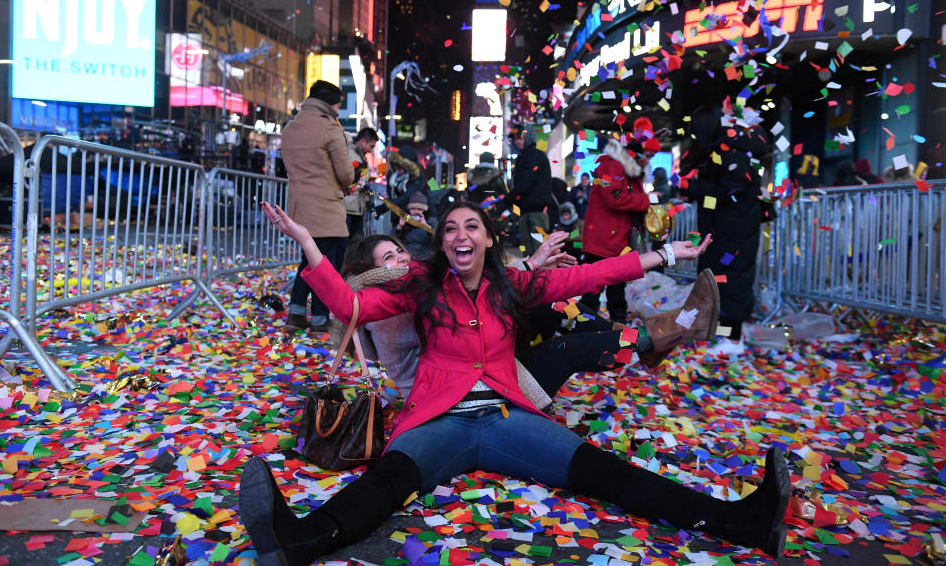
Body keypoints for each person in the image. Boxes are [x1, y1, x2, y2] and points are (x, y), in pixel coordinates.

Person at [246, 200, 792, 565]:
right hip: (440, 419)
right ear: (441, 245)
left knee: (603, 471)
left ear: (487, 240)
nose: (460, 235)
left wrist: (666, 255)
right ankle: (299, 538)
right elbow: (348, 303)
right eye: (450, 229)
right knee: (388, 482)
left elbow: (587, 275)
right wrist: (309, 247)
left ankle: (743, 521)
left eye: (471, 227)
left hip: (509, 417)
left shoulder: (515, 286)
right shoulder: (421, 287)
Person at [340, 231, 718, 402]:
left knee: (553, 307)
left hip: (476, 365)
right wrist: (531, 266)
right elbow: (467, 290)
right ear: (369, 273)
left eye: (400, 251)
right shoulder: (387, 304)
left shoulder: (414, 283)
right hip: (452, 398)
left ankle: (648, 341)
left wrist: (666, 253)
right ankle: (663, 335)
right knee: (561, 350)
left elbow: (479, 285)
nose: (402, 260)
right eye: (389, 258)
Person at [679, 99, 773, 355]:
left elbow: (730, 189)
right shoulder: (727, 146)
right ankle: (724, 336)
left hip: (735, 230)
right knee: (720, 280)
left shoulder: (733, 148)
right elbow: (720, 193)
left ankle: (732, 341)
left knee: (732, 283)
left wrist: (695, 189)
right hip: (726, 227)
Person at [281, 79, 354, 332]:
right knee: (325, 264)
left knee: (309, 260)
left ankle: (296, 312)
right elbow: (345, 174)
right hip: (325, 207)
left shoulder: (291, 127)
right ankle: (320, 318)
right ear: (331, 103)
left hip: (299, 208)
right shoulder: (329, 127)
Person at [580, 131, 651, 324]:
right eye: (647, 156)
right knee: (593, 287)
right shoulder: (612, 166)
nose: (648, 160)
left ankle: (618, 329)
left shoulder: (631, 171)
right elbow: (615, 198)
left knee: (617, 288)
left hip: (618, 239)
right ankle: (582, 328)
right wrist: (647, 200)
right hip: (603, 239)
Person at [504, 124, 552, 256]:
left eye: (521, 138)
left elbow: (525, 183)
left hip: (534, 213)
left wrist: (507, 200)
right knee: (531, 254)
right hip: (528, 212)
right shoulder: (527, 157)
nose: (518, 141)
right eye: (515, 139)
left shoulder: (534, 156)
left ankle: (542, 277)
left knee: (537, 254)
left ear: (529, 137)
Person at [343, 127, 377, 241]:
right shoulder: (348, 153)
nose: (371, 150)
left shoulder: (363, 158)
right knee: (346, 242)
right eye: (371, 146)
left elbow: (363, 182)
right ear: (362, 141)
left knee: (355, 241)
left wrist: (367, 200)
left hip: (357, 206)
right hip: (348, 205)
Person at [396, 192, 432, 260]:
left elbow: (435, 243)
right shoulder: (403, 222)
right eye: (413, 209)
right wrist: (399, 227)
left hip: (423, 258)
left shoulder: (431, 222)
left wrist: (427, 227)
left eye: (419, 209)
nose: (416, 212)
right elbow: (393, 241)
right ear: (409, 210)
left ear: (424, 211)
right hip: (406, 258)